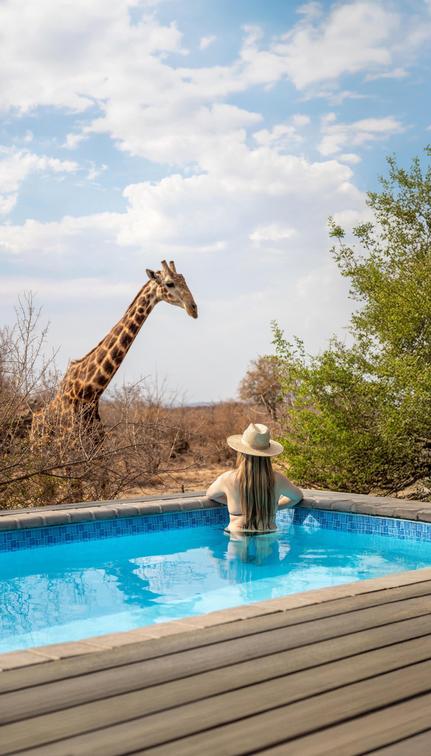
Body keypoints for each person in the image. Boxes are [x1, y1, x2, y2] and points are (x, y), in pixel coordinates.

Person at [206, 422, 303, 534]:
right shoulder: (278, 479)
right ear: (267, 454)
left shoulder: (228, 479)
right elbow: (297, 497)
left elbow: (210, 495)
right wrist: (276, 507)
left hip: (238, 534)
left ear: (241, 452)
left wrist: (233, 503)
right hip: (267, 533)